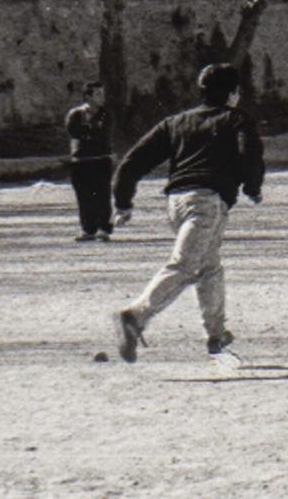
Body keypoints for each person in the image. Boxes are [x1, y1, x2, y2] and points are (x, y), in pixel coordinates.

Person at [110, 63, 265, 362]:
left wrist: (123, 201)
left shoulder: (176, 122)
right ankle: (134, 317)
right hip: (207, 203)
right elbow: (250, 154)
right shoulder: (236, 119)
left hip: (176, 203)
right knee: (185, 266)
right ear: (233, 94)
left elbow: (133, 161)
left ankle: (216, 334)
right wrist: (252, 187)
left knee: (209, 266)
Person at [64, 81, 114, 242]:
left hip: (101, 160)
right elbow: (74, 132)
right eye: (98, 94)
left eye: (103, 94)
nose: (102, 98)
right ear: (88, 97)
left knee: (102, 195)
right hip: (80, 161)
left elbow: (102, 134)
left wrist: (89, 131)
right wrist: (91, 130)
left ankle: (104, 228)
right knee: (84, 196)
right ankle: (88, 229)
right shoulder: (75, 114)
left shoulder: (106, 114)